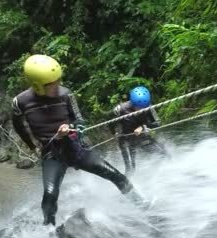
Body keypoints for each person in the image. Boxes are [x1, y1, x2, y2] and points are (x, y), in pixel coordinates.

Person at [11, 54, 147, 225]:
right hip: (52, 154)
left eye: (57, 80)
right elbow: (18, 126)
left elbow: (80, 120)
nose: (57, 86)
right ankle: (48, 228)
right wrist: (33, 146)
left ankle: (142, 206)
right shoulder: (20, 102)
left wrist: (73, 131)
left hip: (75, 148)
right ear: (38, 85)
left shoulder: (66, 94)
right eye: (52, 83)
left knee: (116, 176)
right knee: (50, 194)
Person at [109, 86, 169, 175]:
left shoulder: (148, 107)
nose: (141, 109)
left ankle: (167, 172)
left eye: (143, 107)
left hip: (142, 136)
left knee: (164, 153)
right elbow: (110, 123)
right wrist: (115, 133)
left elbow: (157, 123)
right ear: (132, 103)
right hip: (126, 140)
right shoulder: (120, 109)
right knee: (130, 168)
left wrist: (143, 127)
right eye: (138, 107)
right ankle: (129, 184)